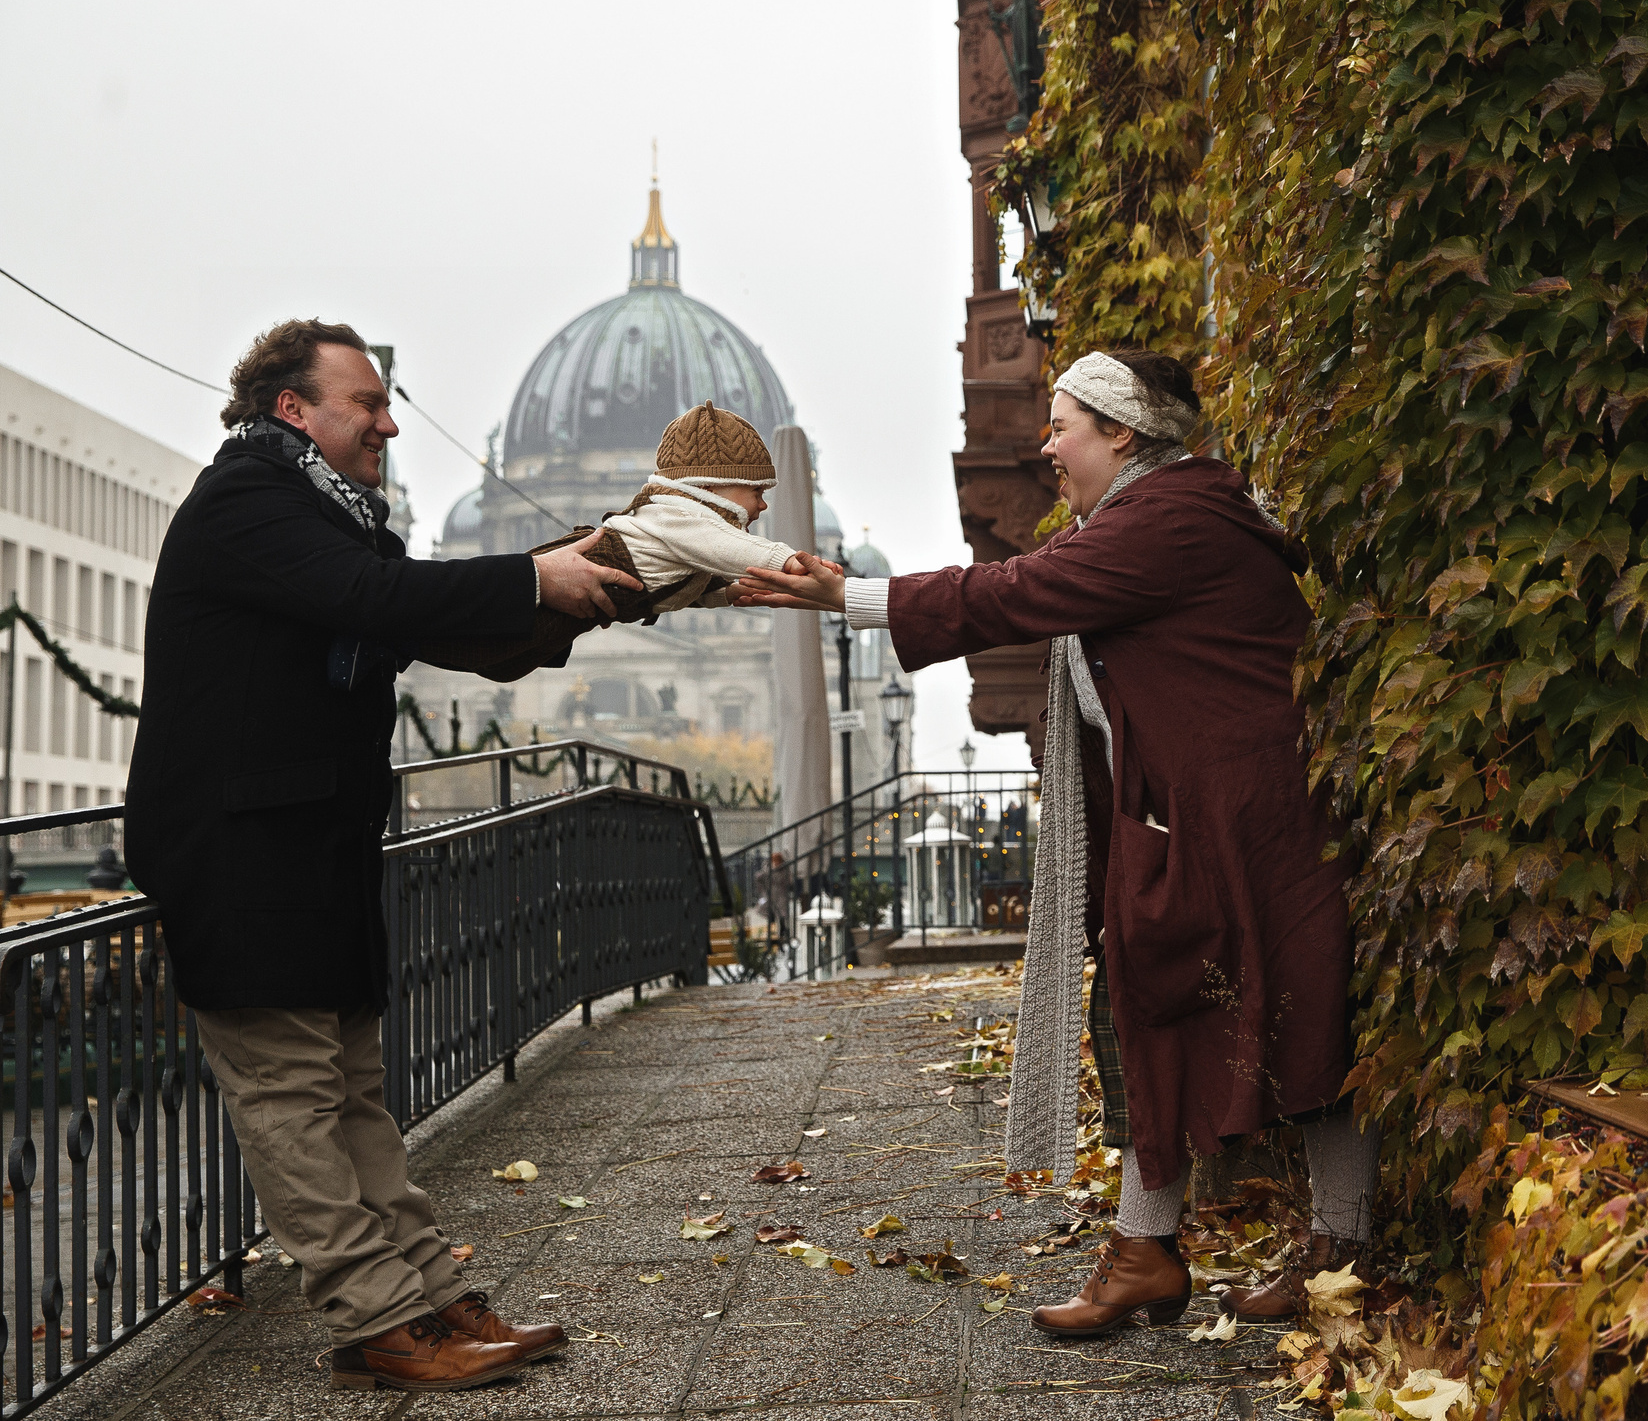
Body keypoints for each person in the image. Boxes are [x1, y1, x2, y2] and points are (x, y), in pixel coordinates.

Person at [736, 347, 1381, 1335]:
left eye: (1062, 423)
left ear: (1120, 434)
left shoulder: (1165, 519)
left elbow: (1010, 593)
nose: (1045, 444)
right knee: (1190, 1014)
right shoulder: (1164, 511)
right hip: (1210, 818)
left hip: (1242, 823)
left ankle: (1280, 1251)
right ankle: (1169, 1249)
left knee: (1267, 1017)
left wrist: (849, 598)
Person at [124, 320, 639, 1393]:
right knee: (292, 1100)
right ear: (293, 410)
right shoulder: (247, 505)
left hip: (308, 847)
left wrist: (601, 581)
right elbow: (382, 603)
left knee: (353, 1091)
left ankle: (428, 1297)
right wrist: (538, 575)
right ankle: (380, 1317)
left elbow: (440, 628)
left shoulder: (327, 513)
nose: (389, 421)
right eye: (366, 403)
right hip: (239, 854)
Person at [407, 401, 797, 680]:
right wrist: (793, 562)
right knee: (489, 634)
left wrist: (725, 593)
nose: (762, 504)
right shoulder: (684, 520)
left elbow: (681, 584)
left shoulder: (685, 543)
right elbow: (741, 550)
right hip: (570, 575)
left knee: (505, 657)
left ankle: (409, 635)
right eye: (756, 491)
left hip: (584, 611)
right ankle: (403, 635)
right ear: (707, 487)